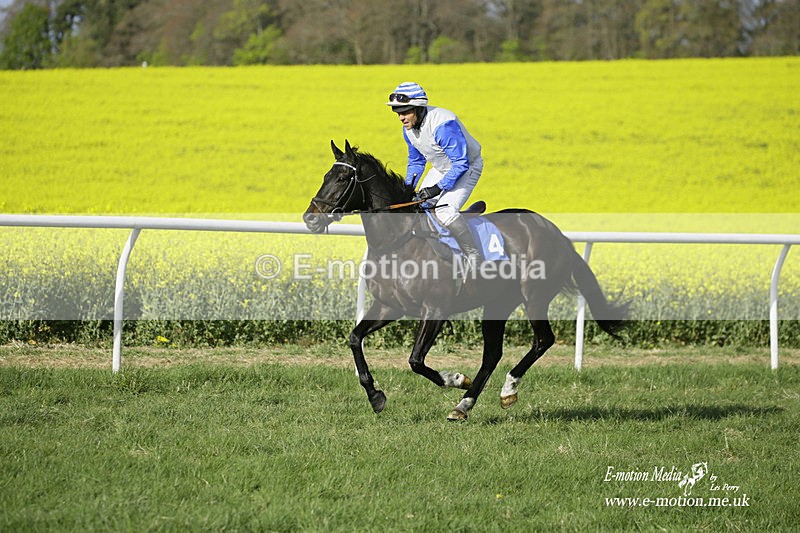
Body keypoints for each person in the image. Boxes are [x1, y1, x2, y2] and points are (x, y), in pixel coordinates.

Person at [387, 81, 483, 264]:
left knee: (445, 212)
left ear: (419, 108)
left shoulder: (443, 125)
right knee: (416, 206)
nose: (401, 117)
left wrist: (437, 189)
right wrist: (407, 190)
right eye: (398, 113)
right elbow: (416, 162)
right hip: (441, 167)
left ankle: (474, 256)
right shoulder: (407, 130)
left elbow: (460, 164)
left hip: (467, 167)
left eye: (405, 112)